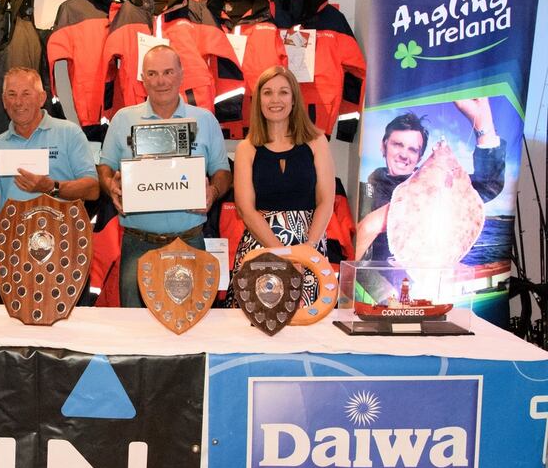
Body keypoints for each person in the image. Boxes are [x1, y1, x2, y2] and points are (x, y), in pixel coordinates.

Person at [97, 45, 231, 308]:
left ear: (181, 74)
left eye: (168, 72)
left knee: (191, 323)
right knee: (136, 325)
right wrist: (110, 185)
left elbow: (223, 172)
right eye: (153, 73)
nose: (161, 81)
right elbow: (104, 168)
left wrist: (213, 192)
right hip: (137, 243)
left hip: (190, 241)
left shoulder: (205, 120)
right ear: (143, 79)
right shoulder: (123, 119)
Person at [227, 65, 335, 307]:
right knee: (257, 321)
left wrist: (307, 251)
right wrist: (283, 255)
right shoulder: (246, 148)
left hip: (309, 246)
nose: (275, 99)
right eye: (267, 93)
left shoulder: (317, 141)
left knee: (308, 322)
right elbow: (245, 209)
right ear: (258, 101)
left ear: (294, 99)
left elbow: (326, 200)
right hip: (261, 246)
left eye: (283, 92)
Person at [355, 99, 506, 262]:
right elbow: (347, 255)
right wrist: (373, 223)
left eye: (413, 150)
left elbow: (489, 185)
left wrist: (484, 127)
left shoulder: (443, 183)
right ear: (383, 146)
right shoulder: (363, 192)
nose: (404, 154)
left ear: (420, 158)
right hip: (380, 276)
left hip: (436, 269)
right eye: (397, 145)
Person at [0, 66, 99, 207]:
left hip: (60, 221)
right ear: (4, 101)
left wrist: (51, 187)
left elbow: (93, 190)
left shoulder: (69, 133)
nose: (18, 102)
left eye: (26, 94)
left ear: (42, 98)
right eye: (12, 94)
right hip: (11, 222)